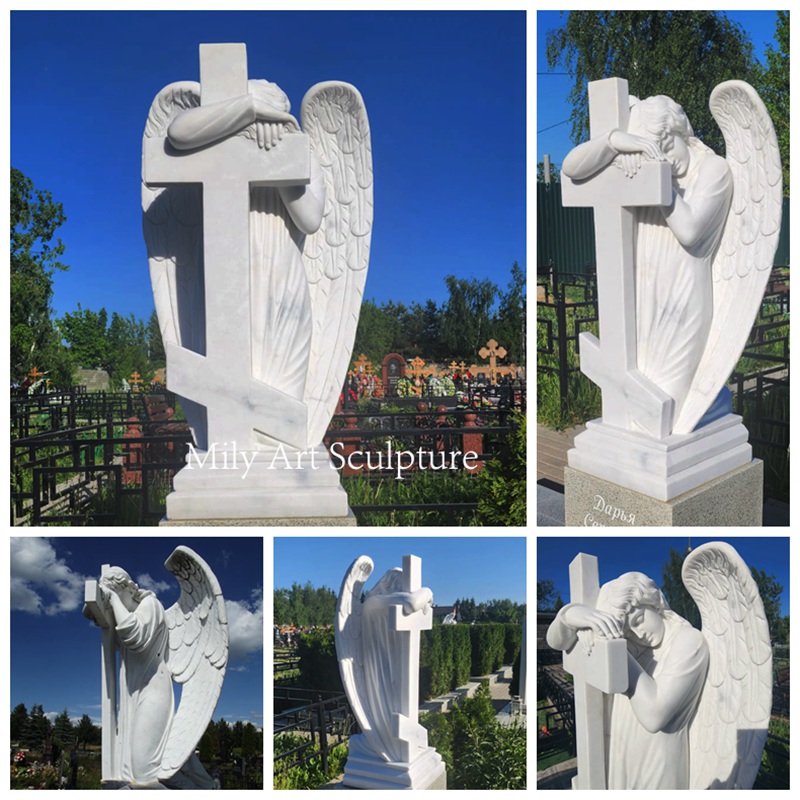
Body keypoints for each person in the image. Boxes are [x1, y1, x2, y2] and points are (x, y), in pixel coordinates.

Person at [561, 94, 733, 422]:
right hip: (642, 294)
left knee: (667, 409)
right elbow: (571, 169)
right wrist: (615, 144)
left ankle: (714, 401)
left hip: (683, 299)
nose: (663, 157)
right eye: (654, 150)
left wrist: (655, 177)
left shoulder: (715, 169)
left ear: (677, 133)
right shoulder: (646, 161)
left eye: (664, 147)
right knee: (639, 404)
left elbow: (689, 231)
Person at [546, 572, 709, 789]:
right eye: (628, 632)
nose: (638, 634)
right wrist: (573, 616)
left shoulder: (689, 640)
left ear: (654, 603)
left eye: (638, 621)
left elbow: (654, 716)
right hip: (621, 755)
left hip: (656, 765)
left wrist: (615, 649)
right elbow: (556, 641)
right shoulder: (637, 646)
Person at [100, 568, 174, 785]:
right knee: (129, 772)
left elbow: (135, 637)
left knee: (143, 772)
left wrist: (112, 600)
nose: (110, 600)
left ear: (126, 588)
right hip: (131, 694)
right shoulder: (123, 617)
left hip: (153, 689)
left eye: (113, 591)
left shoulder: (150, 605)